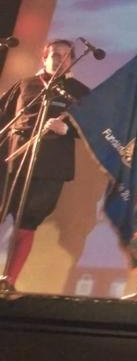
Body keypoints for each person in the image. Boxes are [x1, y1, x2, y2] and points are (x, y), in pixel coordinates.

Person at [0, 39, 90, 289]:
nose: (60, 60)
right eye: (55, 55)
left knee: (27, 223)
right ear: (44, 57)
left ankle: (9, 281)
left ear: (72, 61)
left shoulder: (79, 91)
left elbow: (93, 128)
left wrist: (68, 129)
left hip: (50, 168)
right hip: (12, 159)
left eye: (66, 56)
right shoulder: (26, 84)